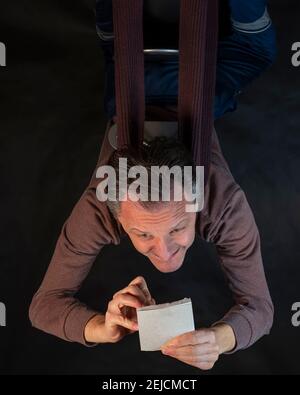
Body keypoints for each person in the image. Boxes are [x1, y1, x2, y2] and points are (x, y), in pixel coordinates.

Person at [29, 0, 276, 371]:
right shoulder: (103, 205)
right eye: (143, 234)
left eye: (177, 227)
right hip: (130, 68)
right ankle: (113, 29)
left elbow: (43, 306)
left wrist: (101, 328)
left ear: (196, 203)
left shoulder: (218, 202)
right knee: (116, 40)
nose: (164, 251)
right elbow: (259, 309)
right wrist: (219, 339)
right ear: (118, 215)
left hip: (132, 72)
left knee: (257, 49)